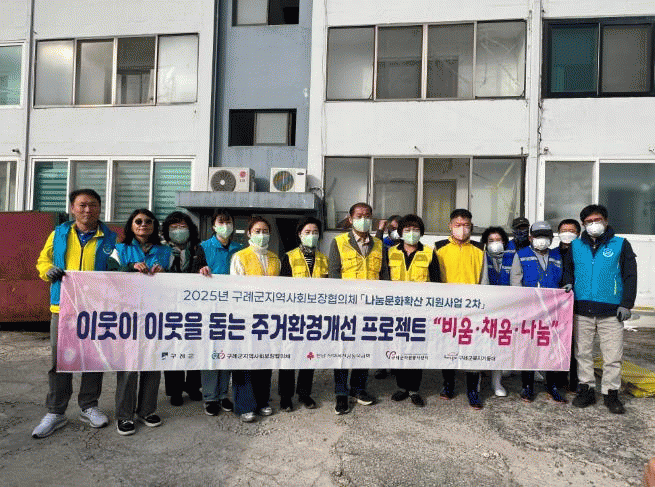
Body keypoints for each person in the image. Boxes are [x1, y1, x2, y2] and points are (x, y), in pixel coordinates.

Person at [33, 189, 117, 438]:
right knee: (59, 361)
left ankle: (89, 406)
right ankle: (56, 411)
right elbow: (43, 260)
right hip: (63, 307)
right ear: (72, 208)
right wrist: (47, 270)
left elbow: (118, 268)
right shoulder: (59, 233)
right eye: (82, 205)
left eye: (93, 205)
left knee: (93, 359)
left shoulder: (110, 238)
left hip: (95, 309)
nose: (87, 210)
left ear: (99, 208)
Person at [562, 204, 637, 414]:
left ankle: (611, 393)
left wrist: (626, 303)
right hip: (582, 309)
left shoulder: (621, 244)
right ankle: (586, 389)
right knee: (583, 353)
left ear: (605, 221)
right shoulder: (576, 246)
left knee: (612, 356)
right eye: (588, 222)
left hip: (611, 311)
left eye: (597, 220)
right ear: (583, 224)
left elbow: (630, 275)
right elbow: (568, 270)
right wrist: (567, 283)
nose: (593, 224)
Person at [110, 209, 172, 436]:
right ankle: (124, 415)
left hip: (156, 314)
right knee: (129, 367)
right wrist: (130, 267)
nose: (143, 224)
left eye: (148, 221)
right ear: (131, 225)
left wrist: (165, 273)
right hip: (128, 314)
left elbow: (177, 279)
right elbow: (109, 274)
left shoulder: (166, 251)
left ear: (154, 226)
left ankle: (147, 410)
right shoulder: (120, 249)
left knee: (152, 365)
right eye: (138, 221)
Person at [329, 202, 388, 414]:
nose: (364, 219)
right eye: (359, 216)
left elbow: (384, 275)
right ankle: (341, 393)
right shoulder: (339, 242)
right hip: (346, 308)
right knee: (343, 351)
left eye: (367, 216)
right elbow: (334, 273)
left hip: (370, 308)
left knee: (364, 350)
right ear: (350, 219)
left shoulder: (379, 245)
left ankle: (358, 388)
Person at [383, 214, 439, 407]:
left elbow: (436, 283)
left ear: (421, 233)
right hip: (396, 311)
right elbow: (383, 281)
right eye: (407, 230)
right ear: (400, 232)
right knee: (398, 349)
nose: (411, 233)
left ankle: (414, 389)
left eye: (415, 230)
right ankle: (402, 387)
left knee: (416, 350)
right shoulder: (390, 252)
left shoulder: (429, 253)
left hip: (420, 312)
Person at [509, 221, 567, 404]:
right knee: (529, 349)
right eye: (537, 236)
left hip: (553, 311)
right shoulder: (521, 255)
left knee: (552, 349)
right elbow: (515, 282)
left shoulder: (557, 256)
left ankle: (552, 386)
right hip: (530, 311)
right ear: (530, 238)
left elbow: (562, 279)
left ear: (551, 238)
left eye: (545, 236)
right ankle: (527, 386)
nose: (541, 240)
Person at [230, 215, 281, 422]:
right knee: (244, 362)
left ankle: (262, 401)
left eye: (265, 231)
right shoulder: (240, 257)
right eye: (257, 231)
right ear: (249, 233)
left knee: (264, 361)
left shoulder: (275, 259)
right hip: (245, 317)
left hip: (268, 319)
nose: (261, 235)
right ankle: (244, 405)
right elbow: (236, 290)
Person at [434, 209, 485, 409]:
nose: (462, 229)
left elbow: (484, 279)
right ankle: (448, 384)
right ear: (450, 226)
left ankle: (473, 390)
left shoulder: (480, 249)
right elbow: (435, 278)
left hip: (473, 308)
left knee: (473, 349)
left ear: (471, 226)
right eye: (458, 225)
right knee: (448, 348)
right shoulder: (439, 248)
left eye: (466, 225)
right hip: (448, 308)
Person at [278, 216, 327, 411]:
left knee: (309, 355)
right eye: (307, 232)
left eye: (315, 232)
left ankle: (304, 393)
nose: (311, 235)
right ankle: (285, 396)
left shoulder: (323, 259)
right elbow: (282, 289)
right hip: (293, 316)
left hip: (315, 317)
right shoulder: (289, 257)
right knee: (289, 356)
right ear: (299, 234)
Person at [197, 209, 241, 416]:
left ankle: (223, 394)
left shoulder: (239, 249)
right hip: (210, 310)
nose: (225, 225)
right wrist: (200, 270)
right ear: (213, 226)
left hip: (232, 309)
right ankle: (210, 397)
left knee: (226, 352)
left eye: (228, 221)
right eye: (221, 222)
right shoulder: (204, 247)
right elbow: (194, 273)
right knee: (210, 353)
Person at [161, 211, 203, 407]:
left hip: (195, 308)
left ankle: (193, 386)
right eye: (174, 227)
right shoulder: (163, 251)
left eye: (182, 227)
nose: (179, 230)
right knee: (174, 349)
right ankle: (175, 390)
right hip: (170, 308)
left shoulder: (198, 249)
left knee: (195, 347)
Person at [479, 226, 511, 397]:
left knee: (500, 345)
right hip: (484, 308)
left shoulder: (512, 257)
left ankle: (496, 382)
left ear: (504, 242)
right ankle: (477, 381)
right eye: (491, 241)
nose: (495, 243)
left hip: (505, 308)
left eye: (498, 240)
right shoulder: (481, 256)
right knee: (481, 344)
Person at [557, 218, 581, 391]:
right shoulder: (553, 253)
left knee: (576, 344)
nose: (567, 234)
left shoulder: (582, 252)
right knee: (558, 342)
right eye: (564, 231)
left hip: (577, 304)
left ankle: (575, 380)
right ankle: (558, 379)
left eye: (571, 231)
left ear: (578, 233)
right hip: (556, 305)